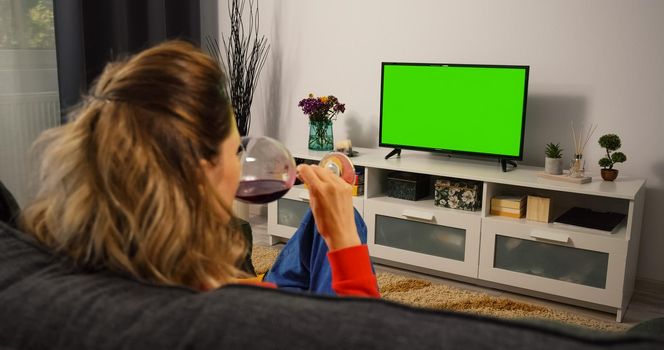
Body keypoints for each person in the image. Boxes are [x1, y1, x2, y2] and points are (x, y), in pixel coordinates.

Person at [19, 40, 379, 298]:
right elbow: (363, 336)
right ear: (202, 170)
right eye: (234, 149)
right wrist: (346, 242)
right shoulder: (219, 317)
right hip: (289, 316)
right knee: (346, 218)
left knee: (321, 221)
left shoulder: (78, 263)